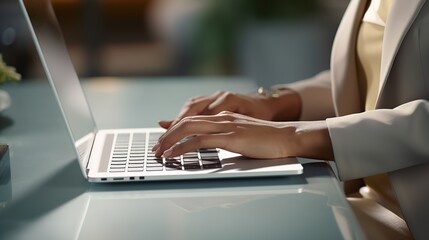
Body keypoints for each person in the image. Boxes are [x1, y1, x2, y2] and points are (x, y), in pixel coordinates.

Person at [152, 0, 429, 239]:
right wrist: (274, 102)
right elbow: (375, 78)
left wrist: (294, 137)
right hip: (360, 204)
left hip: (409, 220)